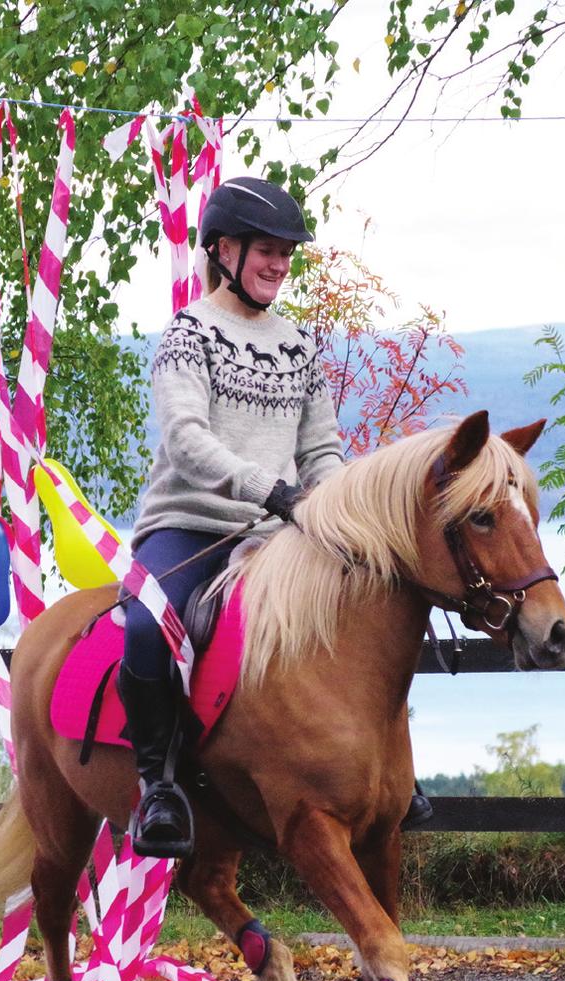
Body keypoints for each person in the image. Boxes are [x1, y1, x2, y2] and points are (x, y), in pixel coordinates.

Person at [119, 175, 432, 859]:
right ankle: (159, 784)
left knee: (375, 608)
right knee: (145, 629)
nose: (279, 265)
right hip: (190, 526)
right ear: (224, 249)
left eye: (287, 254)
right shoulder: (187, 335)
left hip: (280, 532)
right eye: (267, 249)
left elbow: (320, 448)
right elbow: (185, 439)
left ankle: (386, 772)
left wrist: (339, 509)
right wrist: (270, 489)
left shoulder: (298, 345)